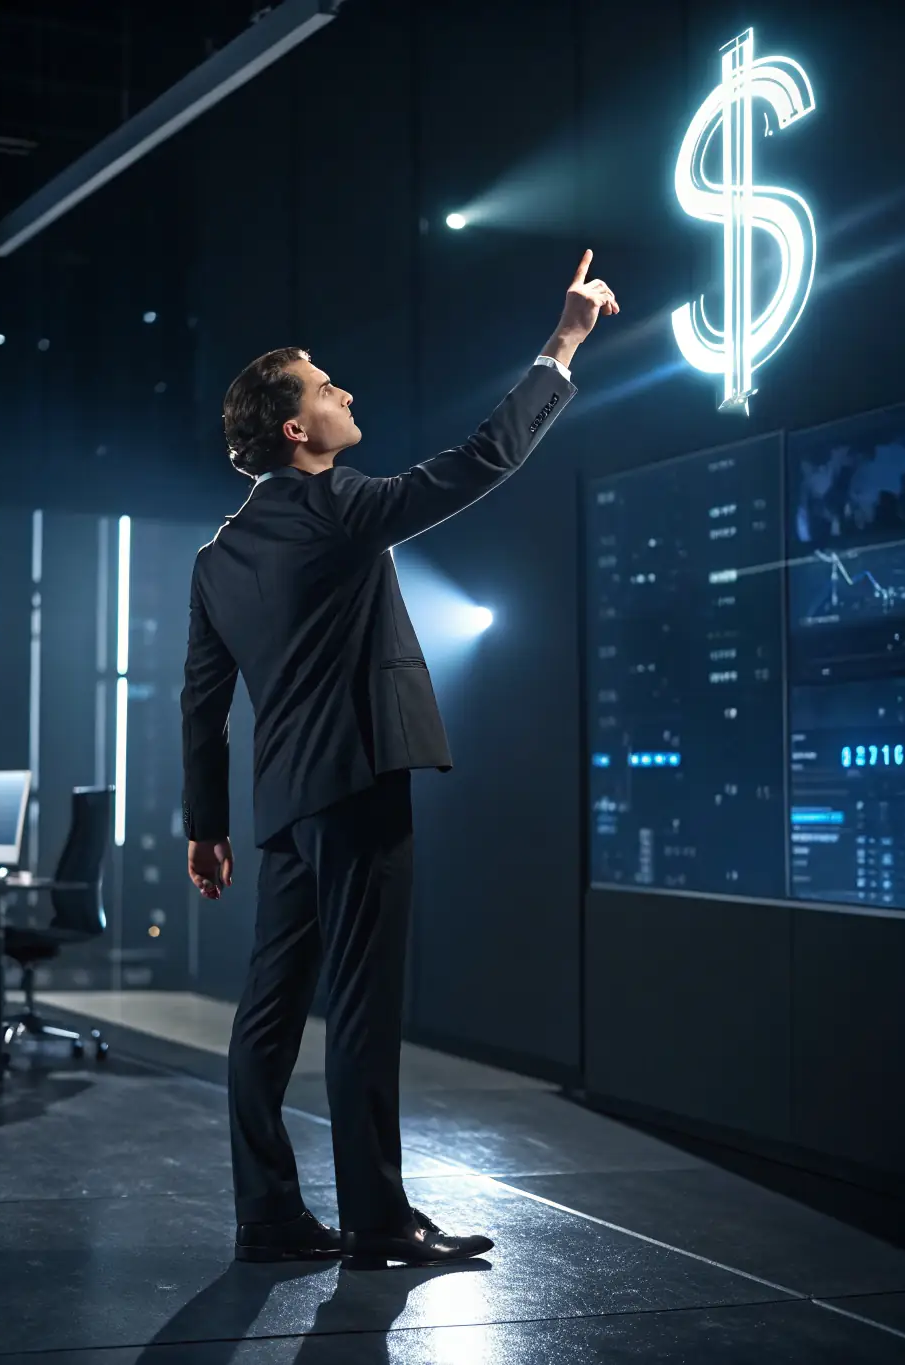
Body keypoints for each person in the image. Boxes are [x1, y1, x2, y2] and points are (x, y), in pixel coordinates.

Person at [180, 249, 618, 1269]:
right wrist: (562, 343)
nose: (345, 395)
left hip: (284, 806)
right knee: (365, 1008)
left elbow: (203, 707)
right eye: (326, 388)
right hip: (361, 784)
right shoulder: (336, 507)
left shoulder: (216, 559)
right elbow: (482, 460)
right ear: (296, 431)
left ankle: (267, 1217)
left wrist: (206, 826)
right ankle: (378, 1222)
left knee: (269, 1011)